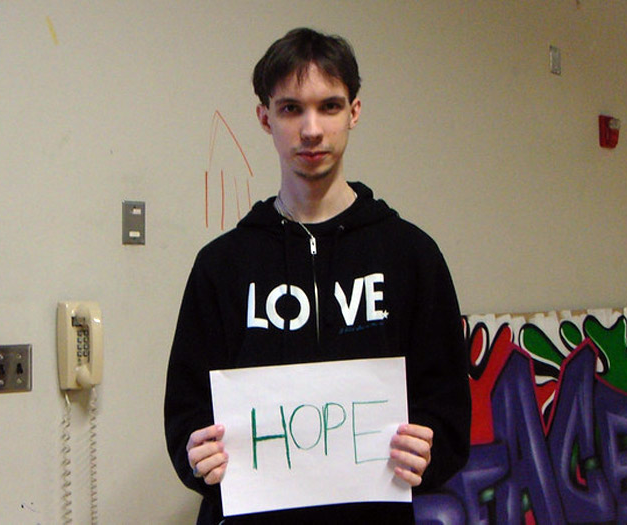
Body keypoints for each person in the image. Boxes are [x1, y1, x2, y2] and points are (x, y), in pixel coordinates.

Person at [164, 27, 470, 524]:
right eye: (290, 109)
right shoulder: (222, 265)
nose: (311, 129)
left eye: (329, 106)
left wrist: (429, 449)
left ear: (354, 112)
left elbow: (449, 411)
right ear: (264, 118)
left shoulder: (411, 255)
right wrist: (195, 454)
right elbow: (186, 412)